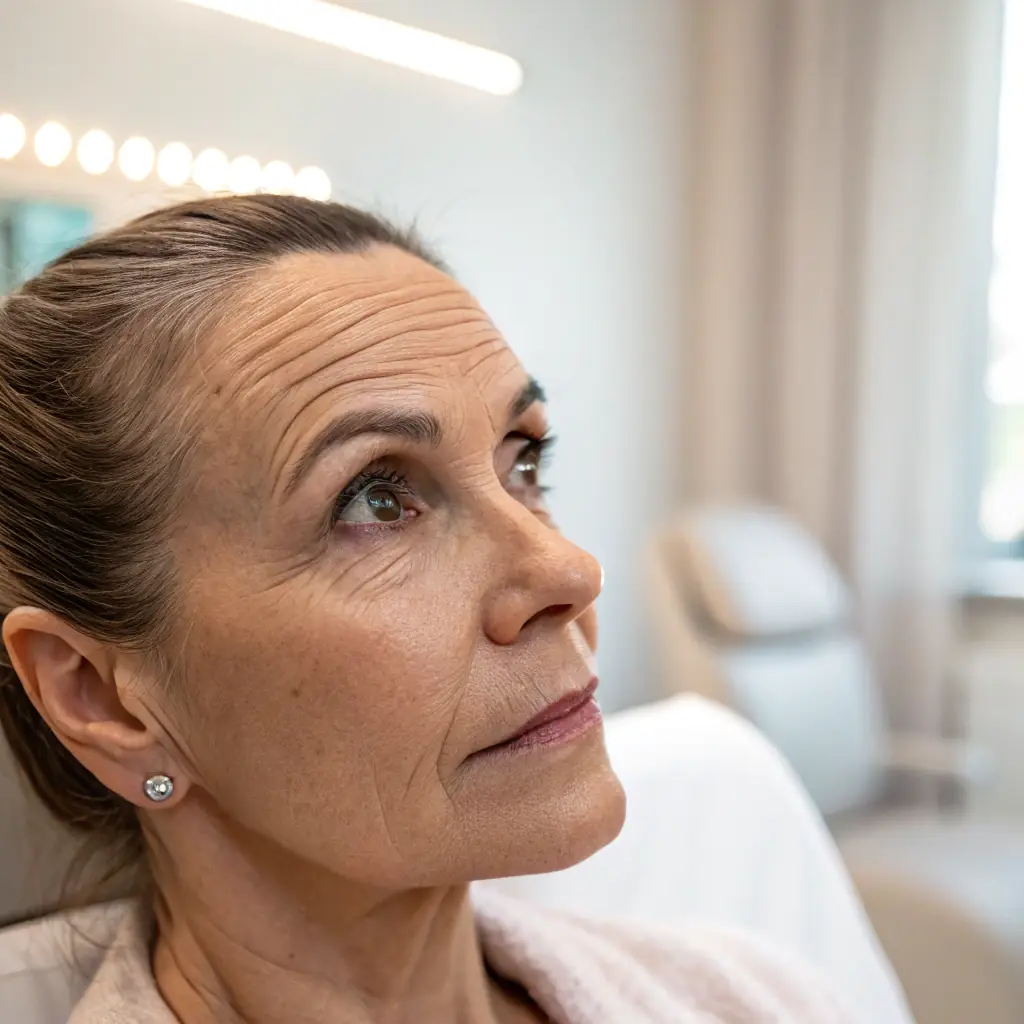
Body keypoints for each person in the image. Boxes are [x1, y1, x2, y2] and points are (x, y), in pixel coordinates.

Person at [0, 195, 855, 1023]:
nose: (570, 571)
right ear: (101, 699)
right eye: (375, 501)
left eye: (524, 463)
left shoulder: (752, 999)